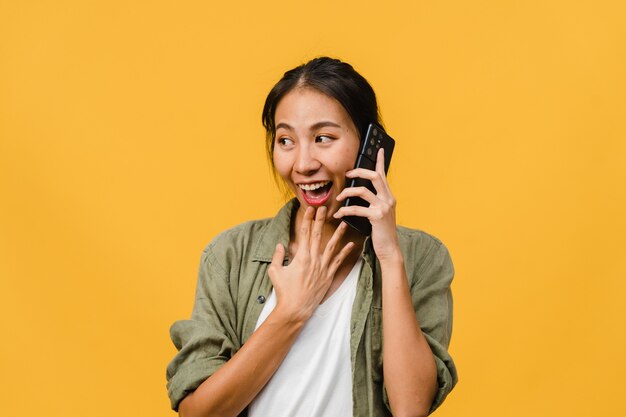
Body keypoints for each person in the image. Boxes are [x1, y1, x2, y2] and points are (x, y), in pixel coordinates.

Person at [166, 57, 458, 417]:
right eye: (286, 140)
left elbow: (410, 408)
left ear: (370, 144)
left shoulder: (422, 257)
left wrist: (388, 256)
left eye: (323, 138)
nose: (303, 163)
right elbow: (197, 413)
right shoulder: (230, 255)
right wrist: (291, 311)